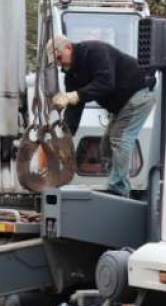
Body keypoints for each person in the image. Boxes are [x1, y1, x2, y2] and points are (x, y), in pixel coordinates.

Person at [47, 34, 157, 197]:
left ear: (68, 47)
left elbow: (106, 83)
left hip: (139, 93)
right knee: (106, 147)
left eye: (59, 58)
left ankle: (118, 188)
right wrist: (66, 139)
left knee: (120, 138)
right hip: (122, 103)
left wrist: (74, 95)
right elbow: (74, 108)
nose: (59, 63)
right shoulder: (71, 75)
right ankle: (115, 181)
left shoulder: (94, 51)